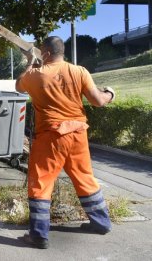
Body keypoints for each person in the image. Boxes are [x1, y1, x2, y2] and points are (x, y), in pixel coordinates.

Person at [15, 36, 115, 249]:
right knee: (85, 178)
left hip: (51, 136)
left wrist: (30, 62)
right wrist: (110, 94)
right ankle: (101, 223)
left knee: (41, 183)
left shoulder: (35, 74)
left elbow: (18, 86)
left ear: (46, 54)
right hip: (78, 133)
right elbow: (98, 101)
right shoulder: (80, 71)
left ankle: (39, 235)